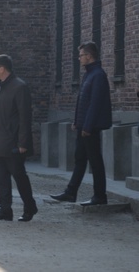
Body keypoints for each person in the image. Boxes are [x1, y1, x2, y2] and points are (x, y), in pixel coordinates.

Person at [51, 41, 113, 206]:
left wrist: (87, 126)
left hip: (89, 127)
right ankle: (71, 192)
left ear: (89, 56)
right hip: (83, 125)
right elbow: (83, 101)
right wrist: (77, 121)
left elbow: (95, 103)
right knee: (80, 159)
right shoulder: (89, 74)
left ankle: (100, 196)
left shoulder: (98, 75)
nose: (79, 59)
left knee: (95, 162)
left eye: (81, 55)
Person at [0, 55, 38, 222]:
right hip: (0, 140)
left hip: (13, 141)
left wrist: (23, 142)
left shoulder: (19, 87)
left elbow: (24, 116)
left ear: (2, 68)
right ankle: (5, 210)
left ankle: (30, 207)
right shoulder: (1, 86)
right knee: (1, 178)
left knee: (19, 176)